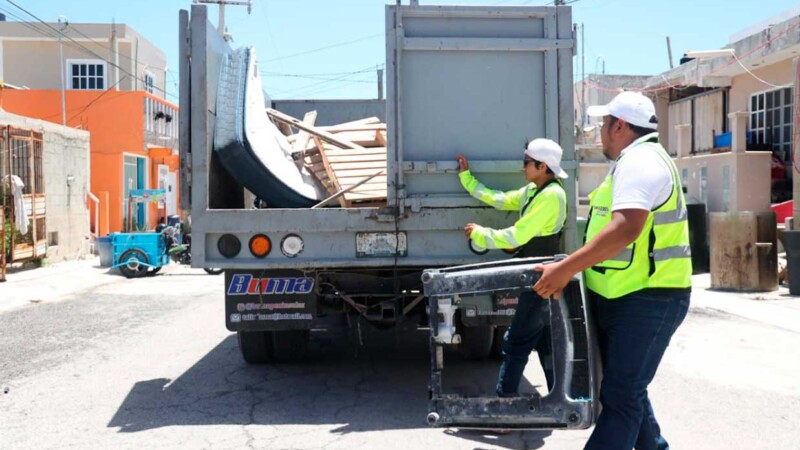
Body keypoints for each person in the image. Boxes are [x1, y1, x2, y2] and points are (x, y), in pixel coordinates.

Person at [532, 91, 692, 450]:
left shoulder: (642, 162)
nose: (599, 133)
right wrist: (568, 266)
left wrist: (564, 270)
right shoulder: (631, 162)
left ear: (620, 126)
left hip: (648, 298)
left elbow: (625, 229)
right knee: (628, 391)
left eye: (603, 125)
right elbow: (607, 234)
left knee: (621, 396)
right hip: (624, 295)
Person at [457, 138, 568, 397]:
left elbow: (516, 236)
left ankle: (506, 405)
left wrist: (480, 234)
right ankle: (560, 400)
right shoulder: (534, 192)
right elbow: (500, 199)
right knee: (545, 341)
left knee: (515, 342)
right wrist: (467, 179)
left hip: (540, 277)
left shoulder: (552, 195)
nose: (522, 168)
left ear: (542, 166)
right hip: (536, 275)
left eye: (526, 163)